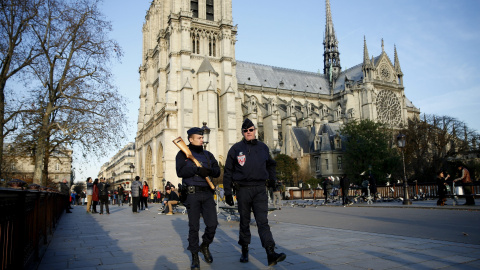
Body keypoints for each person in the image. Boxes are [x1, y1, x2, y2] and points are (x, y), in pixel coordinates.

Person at [223, 118, 286, 266]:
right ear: (242, 132)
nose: (248, 132)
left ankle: (270, 252)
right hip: (243, 190)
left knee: (262, 222)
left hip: (259, 190)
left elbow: (271, 165)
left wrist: (272, 179)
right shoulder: (235, 149)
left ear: (255, 130)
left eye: (251, 130)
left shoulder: (263, 147)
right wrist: (227, 193)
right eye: (245, 131)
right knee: (244, 222)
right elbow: (227, 171)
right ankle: (245, 249)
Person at [175, 127, 221, 270]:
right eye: (199, 138)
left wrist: (208, 171)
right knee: (194, 227)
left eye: (202, 137)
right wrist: (196, 170)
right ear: (190, 139)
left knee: (212, 224)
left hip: (207, 194)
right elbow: (180, 171)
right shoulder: (183, 154)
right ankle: (195, 256)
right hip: (192, 194)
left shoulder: (208, 155)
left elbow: (217, 170)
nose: (202, 139)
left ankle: (205, 245)